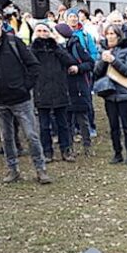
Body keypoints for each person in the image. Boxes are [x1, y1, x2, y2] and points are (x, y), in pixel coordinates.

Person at [0, 9, 52, 184]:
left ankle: (41, 170)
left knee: (31, 136)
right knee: (7, 138)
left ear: (0, 23)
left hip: (21, 100)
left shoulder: (14, 43)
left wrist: (25, 87)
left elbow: (33, 66)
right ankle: (13, 170)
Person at [30, 22, 76, 163]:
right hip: (41, 90)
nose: (42, 33)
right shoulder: (31, 50)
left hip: (59, 89)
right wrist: (36, 45)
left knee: (62, 123)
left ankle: (66, 149)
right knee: (44, 125)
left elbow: (69, 60)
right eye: (39, 31)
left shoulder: (57, 48)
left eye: (45, 31)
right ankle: (47, 151)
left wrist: (55, 44)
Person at [93, 24, 127, 165]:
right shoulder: (103, 50)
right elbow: (96, 73)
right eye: (108, 33)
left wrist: (113, 60)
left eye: (113, 33)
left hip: (124, 94)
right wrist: (103, 61)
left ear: (118, 36)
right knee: (113, 126)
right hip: (109, 94)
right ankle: (117, 153)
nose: (110, 36)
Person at [55, 23, 95, 156]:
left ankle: (87, 146)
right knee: (66, 121)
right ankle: (68, 148)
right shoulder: (53, 48)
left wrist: (78, 68)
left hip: (77, 87)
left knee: (82, 119)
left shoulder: (75, 46)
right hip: (62, 88)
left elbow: (90, 63)